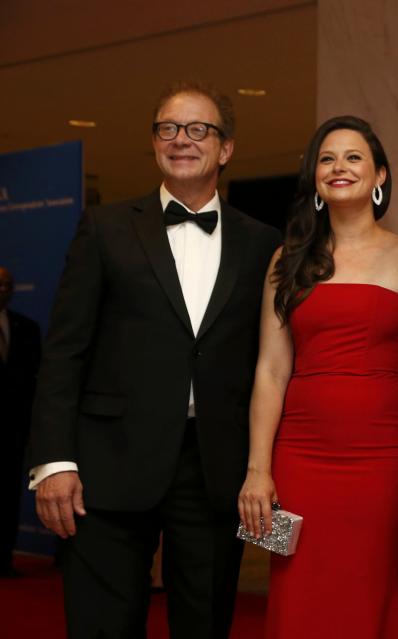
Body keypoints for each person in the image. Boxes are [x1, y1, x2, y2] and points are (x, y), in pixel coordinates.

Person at [27, 82, 281, 638]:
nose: (181, 140)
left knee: (206, 624)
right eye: (168, 128)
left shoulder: (264, 243)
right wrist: (53, 461)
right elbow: (64, 351)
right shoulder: (106, 228)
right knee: (102, 625)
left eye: (198, 130)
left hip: (214, 467)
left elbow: (275, 359)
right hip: (106, 466)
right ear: (155, 142)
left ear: (226, 148)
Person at [237, 116, 398, 639]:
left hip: (386, 457)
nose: (339, 168)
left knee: (373, 586)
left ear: (380, 174)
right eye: (327, 158)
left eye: (354, 157)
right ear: (315, 178)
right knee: (300, 593)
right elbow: (271, 370)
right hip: (302, 457)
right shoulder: (286, 261)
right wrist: (258, 469)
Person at [0, 267, 41, 578]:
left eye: (8, 284)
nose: (4, 288)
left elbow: (35, 381)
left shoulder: (26, 328)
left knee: (9, 494)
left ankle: (4, 558)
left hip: (12, 429)